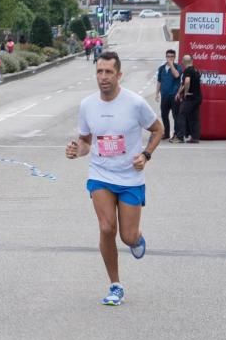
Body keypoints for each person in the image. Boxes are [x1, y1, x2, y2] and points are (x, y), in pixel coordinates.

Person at [65, 51, 163, 306]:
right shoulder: (88, 105)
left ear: (119, 75)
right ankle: (115, 285)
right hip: (101, 174)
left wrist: (146, 154)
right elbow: (86, 141)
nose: (103, 77)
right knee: (107, 227)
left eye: (109, 72)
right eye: (99, 71)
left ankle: (136, 239)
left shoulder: (135, 103)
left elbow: (158, 129)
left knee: (127, 237)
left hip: (130, 176)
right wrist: (77, 151)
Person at [173, 54, 202, 143]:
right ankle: (195, 137)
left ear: (183, 61)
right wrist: (179, 92)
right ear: (191, 61)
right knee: (194, 117)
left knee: (181, 114)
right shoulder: (196, 70)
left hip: (190, 97)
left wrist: (185, 92)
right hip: (198, 97)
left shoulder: (188, 70)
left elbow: (187, 81)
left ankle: (180, 136)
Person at [154, 49, 182, 141]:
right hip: (164, 95)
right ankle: (166, 133)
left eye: (171, 56)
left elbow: (177, 75)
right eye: (168, 56)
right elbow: (159, 81)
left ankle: (176, 134)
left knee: (175, 115)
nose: (169, 58)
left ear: (174, 57)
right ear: (165, 57)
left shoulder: (178, 67)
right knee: (164, 115)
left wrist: (171, 66)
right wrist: (157, 93)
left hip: (174, 95)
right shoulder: (161, 68)